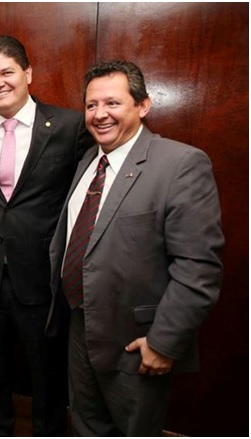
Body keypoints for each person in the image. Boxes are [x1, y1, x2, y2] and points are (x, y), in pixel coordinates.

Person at [46, 60, 224, 436]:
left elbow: (198, 268)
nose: (99, 114)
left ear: (143, 105)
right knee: (86, 424)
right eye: (91, 105)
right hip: (80, 325)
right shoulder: (87, 162)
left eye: (112, 103)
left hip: (136, 341)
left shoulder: (180, 164)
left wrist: (164, 342)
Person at [0, 35, 94, 437]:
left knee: (47, 371)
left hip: (41, 277)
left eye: (6, 72)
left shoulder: (68, 125)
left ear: (28, 73)